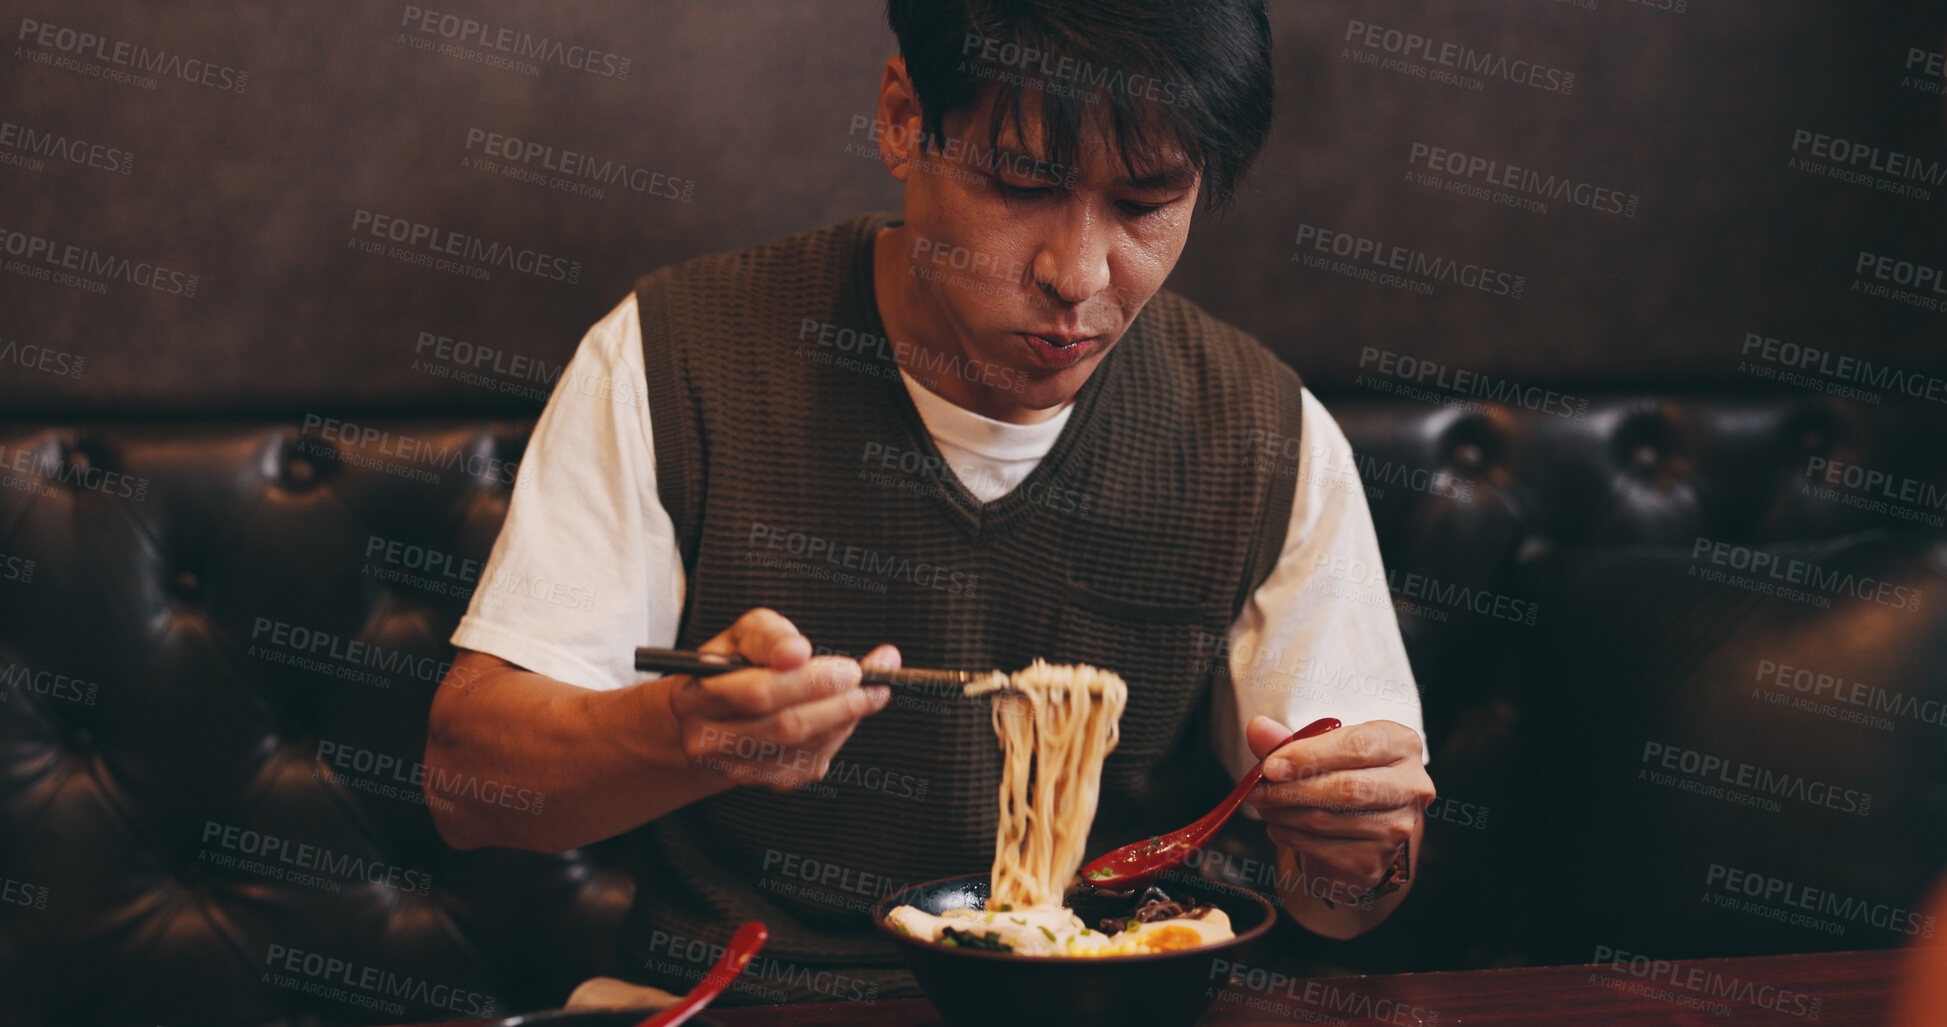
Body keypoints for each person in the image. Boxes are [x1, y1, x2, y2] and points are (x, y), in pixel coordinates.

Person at [424, 0, 1436, 1006]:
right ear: (905, 120)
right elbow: (468, 783)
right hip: (747, 1002)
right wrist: (687, 731)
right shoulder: (677, 356)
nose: (1077, 275)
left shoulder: (1265, 434)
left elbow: (1346, 905)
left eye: (1145, 204)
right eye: (1022, 183)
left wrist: (1356, 853)